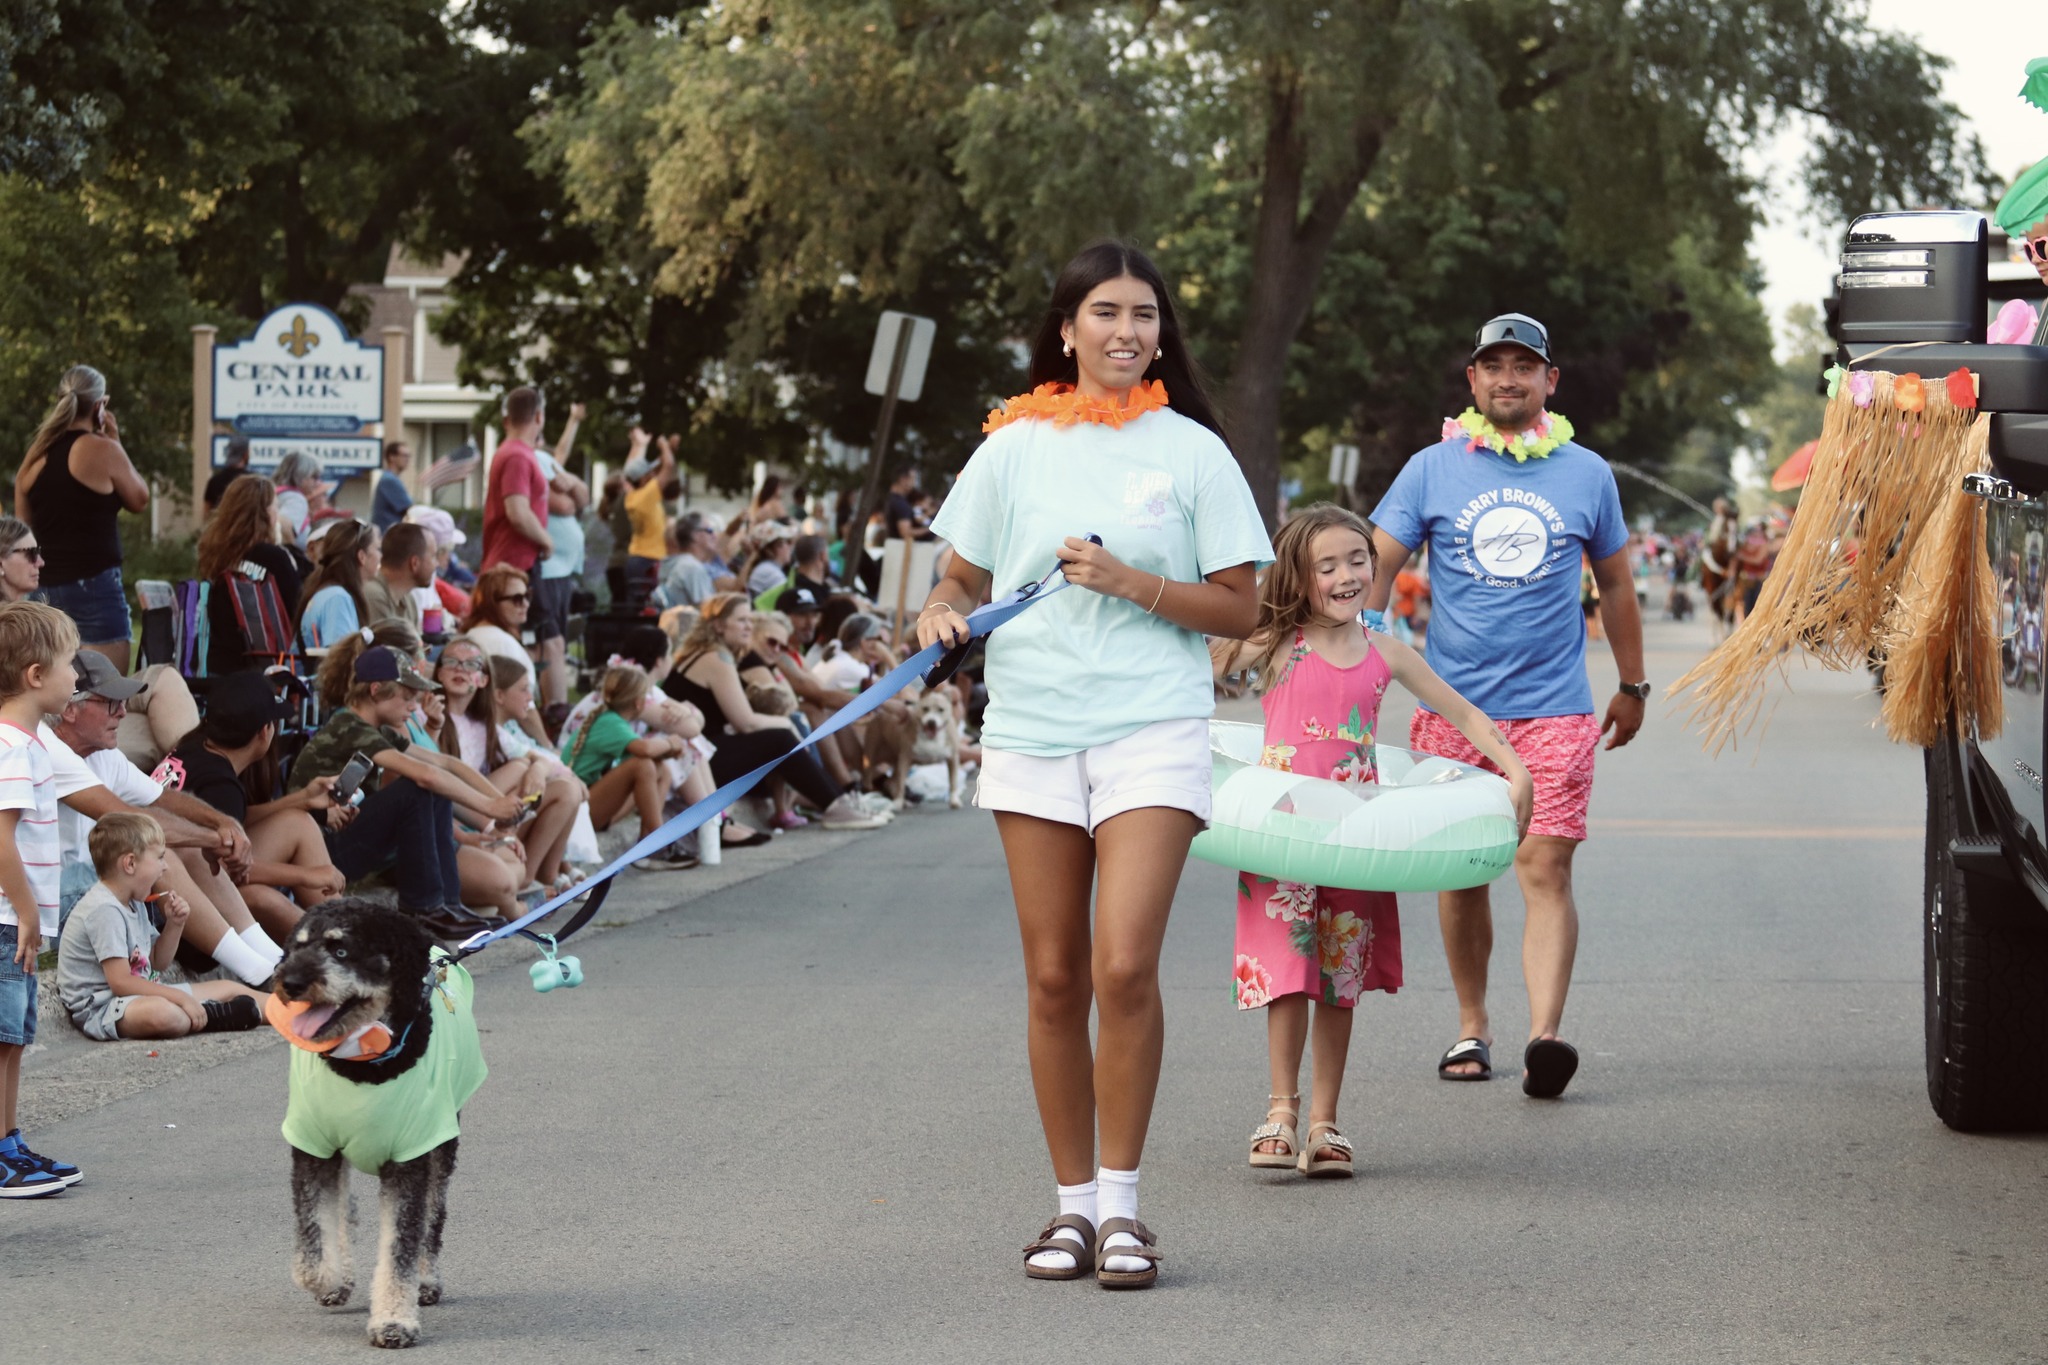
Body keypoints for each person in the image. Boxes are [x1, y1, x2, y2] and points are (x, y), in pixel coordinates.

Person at [919, 241, 1270, 1286]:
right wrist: (942, 608)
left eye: (1145, 315)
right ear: (1066, 328)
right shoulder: (1010, 444)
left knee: (1122, 963)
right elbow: (958, 571)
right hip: (1030, 728)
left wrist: (1129, 582)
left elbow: (1242, 606)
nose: (1128, 331)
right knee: (1053, 975)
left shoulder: (1194, 451)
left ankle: (1121, 1207)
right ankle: (1068, 1210)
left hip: (1150, 727)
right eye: (1106, 313)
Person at [1363, 311, 1643, 1098]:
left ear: (1551, 381)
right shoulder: (1431, 468)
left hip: (1556, 709)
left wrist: (1633, 682)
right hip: (1454, 711)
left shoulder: (1587, 473)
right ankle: (1471, 1024)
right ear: (1474, 381)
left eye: (1525, 366)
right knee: (1463, 874)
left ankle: (1545, 1035)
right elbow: (1378, 563)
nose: (1509, 379)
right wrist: (1369, 653)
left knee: (1544, 864)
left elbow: (1616, 582)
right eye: (1495, 366)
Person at [1217, 506, 1532, 1178]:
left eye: (1357, 559)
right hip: (1282, 827)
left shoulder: (1385, 650)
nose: (1346, 574)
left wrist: (1515, 769)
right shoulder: (1275, 639)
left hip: (1356, 835)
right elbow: (1196, 661)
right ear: (1298, 577)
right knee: (1284, 974)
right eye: (1326, 565)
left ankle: (1326, 1124)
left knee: (1337, 979)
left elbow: (1463, 711)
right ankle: (1280, 1110)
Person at [286, 644, 523, 941]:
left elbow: (444, 763)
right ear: (375, 690)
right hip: (321, 851)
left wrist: (500, 803)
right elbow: (426, 775)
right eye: (407, 697)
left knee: (431, 788)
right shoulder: (348, 726)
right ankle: (425, 908)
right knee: (417, 788)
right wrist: (490, 806)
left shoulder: (374, 729)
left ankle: (448, 904)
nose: (414, 707)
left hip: (342, 841)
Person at [666, 593, 886, 831]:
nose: (748, 626)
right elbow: (745, 723)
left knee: (780, 733)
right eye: (741, 620)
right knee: (779, 737)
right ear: (718, 625)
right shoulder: (715, 657)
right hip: (697, 763)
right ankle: (835, 804)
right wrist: (785, 725)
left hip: (702, 757)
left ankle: (837, 800)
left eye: (750, 620)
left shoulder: (713, 654)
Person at [55, 812, 266, 1041]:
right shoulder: (104, 909)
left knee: (229, 988)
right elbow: (121, 982)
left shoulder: (134, 902)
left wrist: (175, 925)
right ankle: (209, 1014)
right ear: (130, 863)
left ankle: (295, 1013)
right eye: (159, 858)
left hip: (137, 995)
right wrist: (180, 997)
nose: (165, 867)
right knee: (163, 1014)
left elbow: (157, 962)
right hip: (104, 1008)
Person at [0, 600, 81, 1196]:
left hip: (16, 920)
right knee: (1, 1038)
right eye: (71, 664)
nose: (77, 676)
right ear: (35, 675)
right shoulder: (11, 747)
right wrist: (26, 911)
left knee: (12, 1040)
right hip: (6, 919)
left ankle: (8, 1142)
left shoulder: (29, 744)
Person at [159, 670, 347, 915]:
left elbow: (237, 819)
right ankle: (341, 939)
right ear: (263, 732)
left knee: (296, 821)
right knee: (262, 897)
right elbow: (223, 870)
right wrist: (306, 876)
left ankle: (341, 928)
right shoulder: (221, 786)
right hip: (181, 904)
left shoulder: (194, 748)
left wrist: (303, 799)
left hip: (162, 884)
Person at [14, 365, 149, 673]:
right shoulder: (102, 449)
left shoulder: (34, 458)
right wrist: (116, 442)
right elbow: (139, 499)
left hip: (43, 587)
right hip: (95, 584)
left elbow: (24, 530)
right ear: (100, 406)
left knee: (46, 691)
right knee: (105, 691)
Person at [566, 665, 697, 870]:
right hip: (578, 813)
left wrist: (667, 751)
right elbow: (644, 749)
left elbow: (645, 753)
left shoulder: (613, 720)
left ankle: (646, 846)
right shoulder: (608, 722)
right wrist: (671, 743)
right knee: (643, 765)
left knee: (661, 769)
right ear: (639, 702)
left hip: (594, 808)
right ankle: (658, 842)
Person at [195, 475, 304, 675]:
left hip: (215, 666)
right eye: (275, 506)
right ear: (263, 513)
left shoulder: (214, 556)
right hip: (266, 669)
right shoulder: (274, 558)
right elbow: (297, 612)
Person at [535, 403, 589, 708]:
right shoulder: (535, 459)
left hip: (563, 569)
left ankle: (553, 705)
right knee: (550, 641)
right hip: (548, 569)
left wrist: (574, 486)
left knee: (557, 640)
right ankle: (553, 708)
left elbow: (582, 497)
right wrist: (570, 491)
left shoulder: (546, 459)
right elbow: (566, 505)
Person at [480, 386, 553, 579]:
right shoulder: (517, 456)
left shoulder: (515, 452)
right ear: (539, 416)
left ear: (507, 419)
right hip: (513, 563)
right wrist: (546, 541)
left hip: (513, 563)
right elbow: (518, 513)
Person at [298, 519, 380, 651]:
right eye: (377, 548)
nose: (380, 555)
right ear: (362, 556)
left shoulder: (331, 591)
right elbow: (339, 663)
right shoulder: (337, 598)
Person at [621, 429, 675, 604]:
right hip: (649, 560)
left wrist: (665, 450)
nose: (653, 475)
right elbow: (669, 466)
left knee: (637, 608)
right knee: (649, 609)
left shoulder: (632, 496)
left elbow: (657, 466)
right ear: (643, 479)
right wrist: (664, 445)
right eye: (649, 473)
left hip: (637, 558)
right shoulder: (647, 495)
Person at [360, 521, 430, 635]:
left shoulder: (408, 599)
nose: (436, 564)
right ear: (415, 563)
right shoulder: (373, 595)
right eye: (433, 556)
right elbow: (387, 650)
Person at [654, 512, 718, 609]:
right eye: (709, 531)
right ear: (695, 535)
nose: (715, 535)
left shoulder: (672, 562)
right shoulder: (691, 567)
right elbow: (709, 611)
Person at [271, 450, 328, 552]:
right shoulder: (296, 499)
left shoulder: (275, 494)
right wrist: (292, 558)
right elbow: (283, 527)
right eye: (314, 476)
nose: (317, 482)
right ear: (301, 475)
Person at [202, 436, 253, 517]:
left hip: (219, 529)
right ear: (245, 454)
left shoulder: (214, 482)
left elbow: (206, 514)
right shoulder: (254, 482)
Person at [742, 522, 795, 599]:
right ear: (769, 550)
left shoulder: (767, 567)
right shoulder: (768, 570)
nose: (789, 546)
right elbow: (790, 599)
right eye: (785, 542)